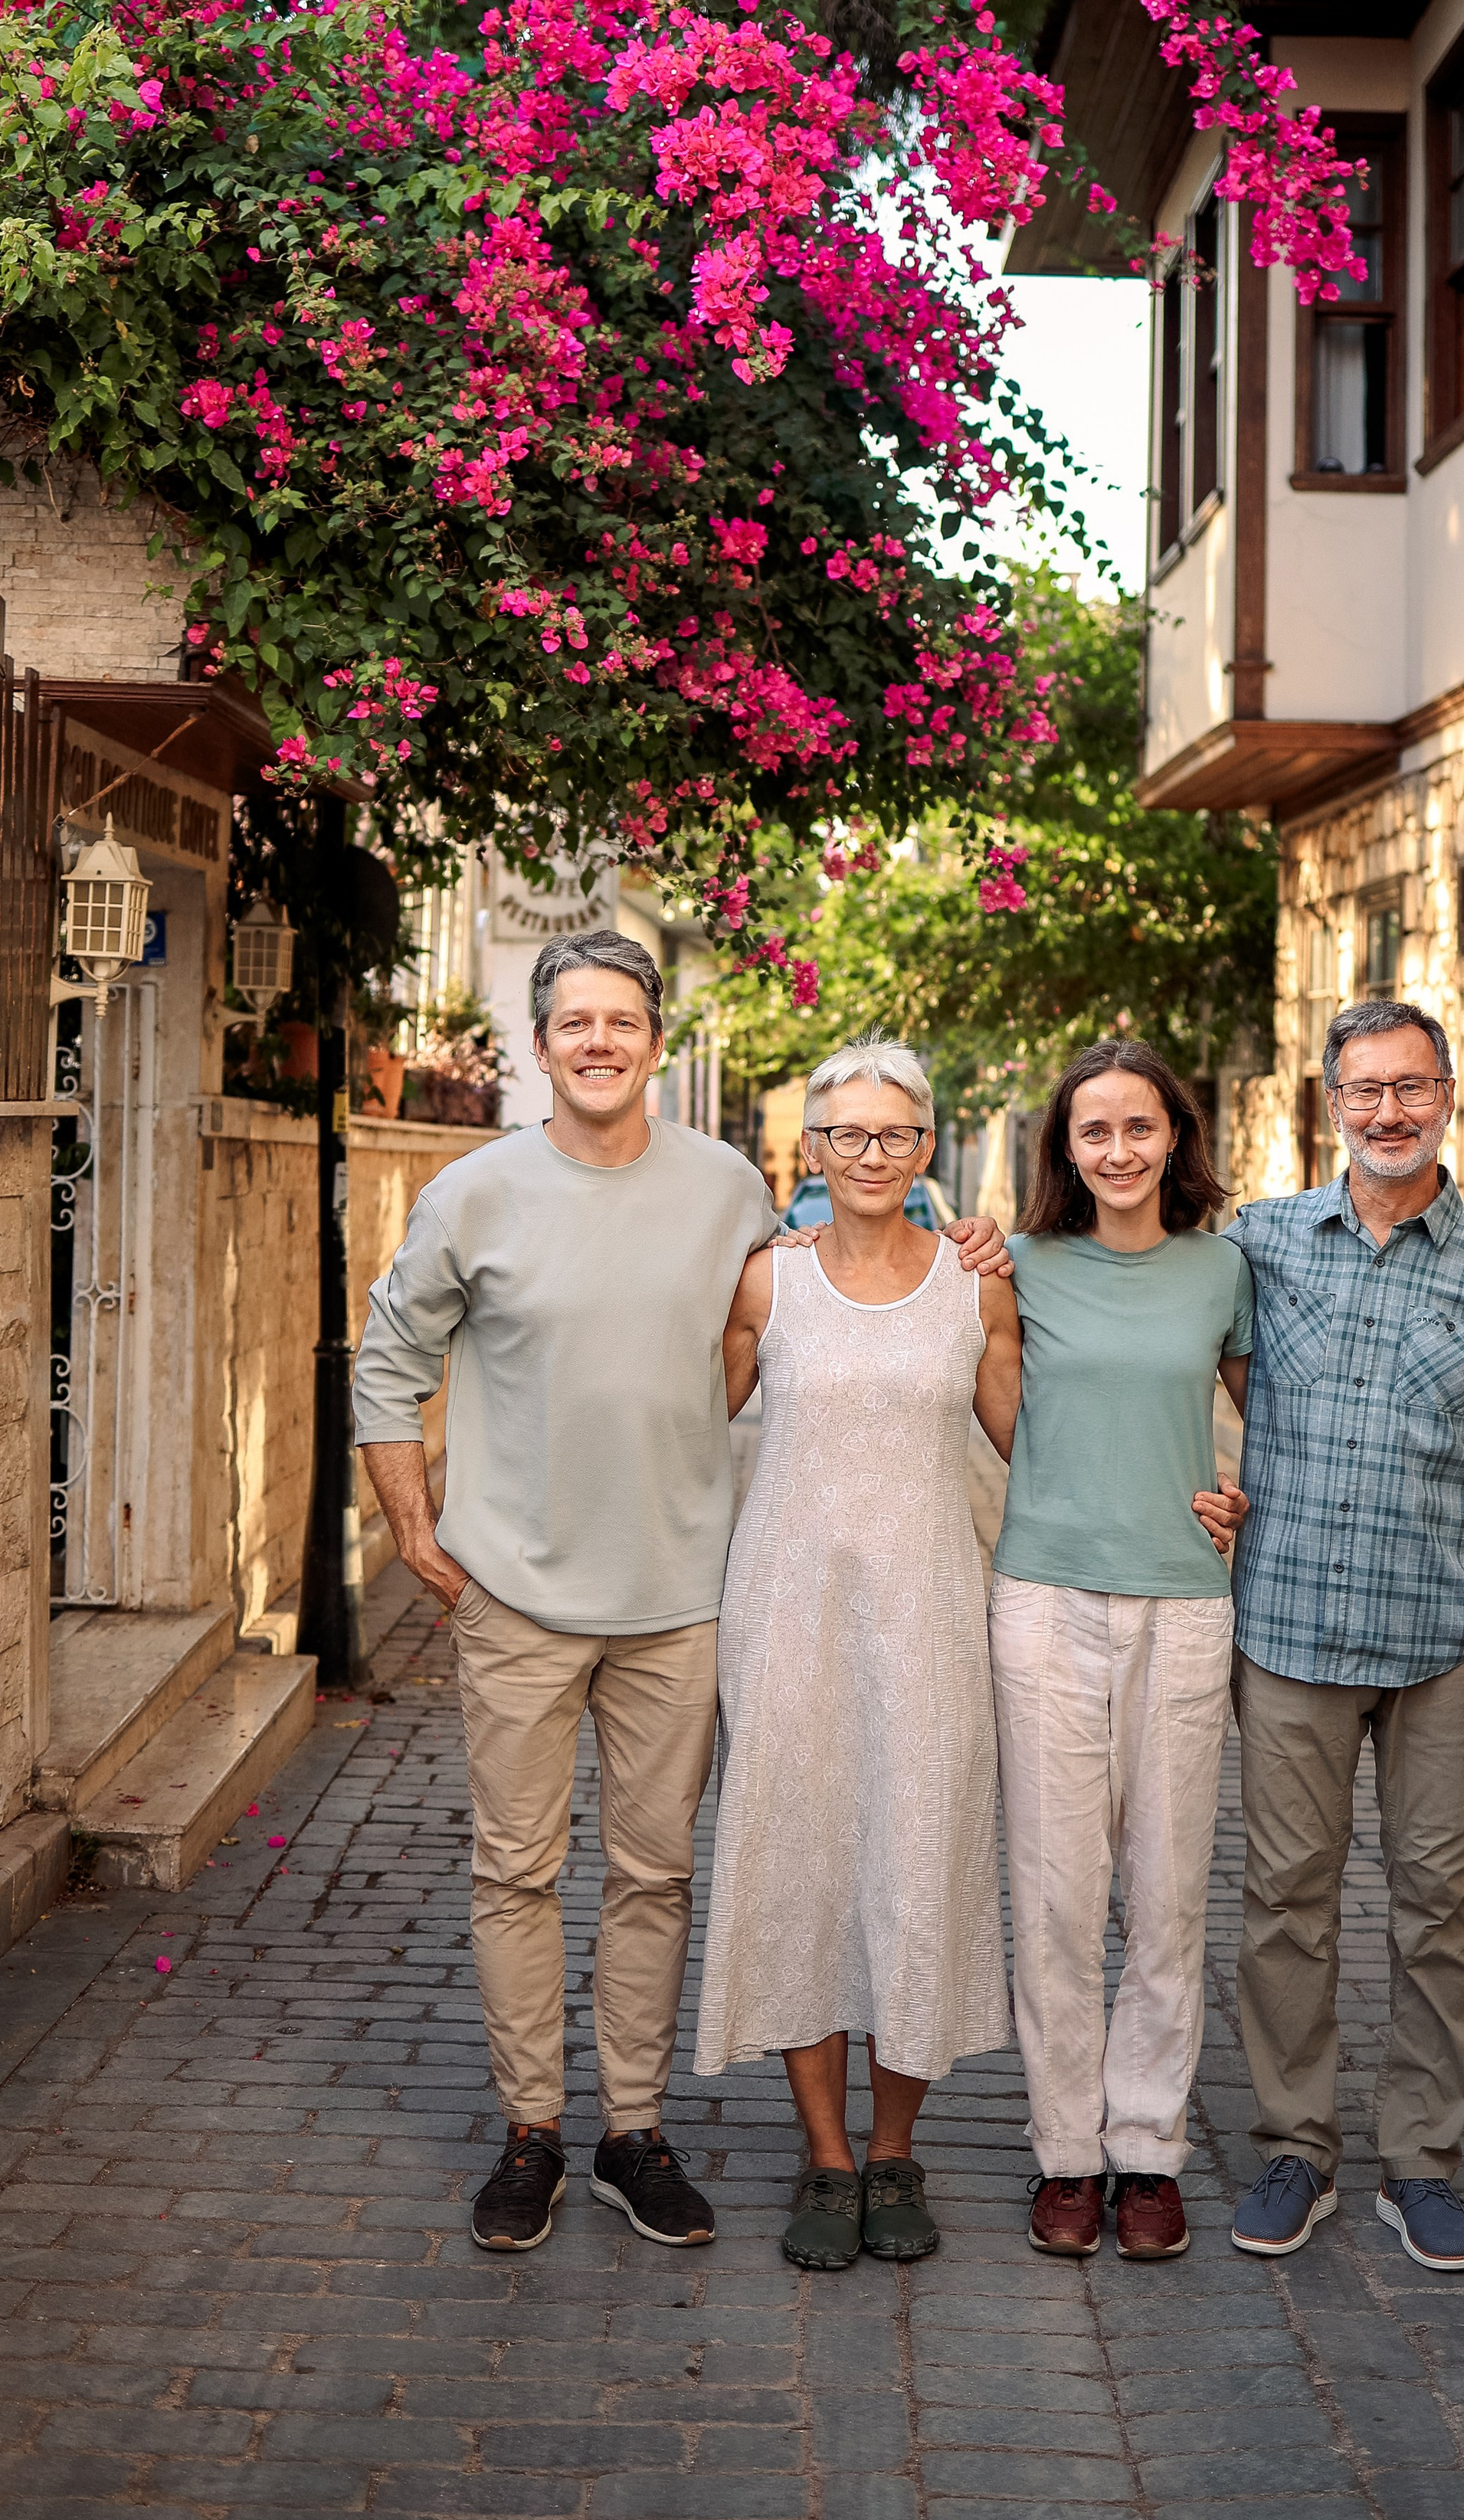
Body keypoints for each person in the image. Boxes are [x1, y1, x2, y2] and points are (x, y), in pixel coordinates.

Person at [354, 932, 1011, 2257]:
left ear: (656, 1041)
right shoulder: (472, 1193)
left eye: (623, 1020)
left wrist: (973, 1244)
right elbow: (387, 1359)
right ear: (540, 1045)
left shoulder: (728, 1191)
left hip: (683, 1597)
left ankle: (632, 2133)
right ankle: (533, 2129)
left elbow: (838, 1297)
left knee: (655, 1874)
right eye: (573, 1021)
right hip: (519, 1594)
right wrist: (415, 1528)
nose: (599, 1041)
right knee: (516, 1869)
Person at [1223, 998, 1464, 2273]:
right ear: (1331, 1103)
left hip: (1449, 1645)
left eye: (1412, 1088)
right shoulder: (1259, 1245)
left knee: (1439, 1906)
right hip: (1291, 1632)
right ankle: (1294, 2144)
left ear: (1449, 1098)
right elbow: (1182, 1362)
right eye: (1364, 1089)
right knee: (1285, 1903)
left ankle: (1420, 2159)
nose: (1389, 1110)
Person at [697, 1036, 1023, 2272]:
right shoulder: (766, 1284)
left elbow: (1035, 1448)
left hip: (931, 1619)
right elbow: (679, 1422)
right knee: (796, 1861)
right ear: (811, 1150)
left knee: (915, 1863)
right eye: (846, 1134)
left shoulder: (974, 1285)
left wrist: (1187, 1498)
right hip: (784, 1617)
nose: (870, 1154)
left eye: (894, 1133)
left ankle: (897, 2150)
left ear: (926, 1146)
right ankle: (826, 2157)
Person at [987, 1041, 1251, 2265]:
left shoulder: (1223, 1270)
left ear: (1173, 1136)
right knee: (1052, 1892)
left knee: (1166, 1889)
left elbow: (1275, 1413)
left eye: (1139, 1127)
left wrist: (1246, 1496)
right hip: (1044, 1599)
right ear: (1066, 1149)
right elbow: (991, 1401)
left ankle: (1147, 2150)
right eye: (1094, 1131)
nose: (1119, 1150)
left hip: (1185, 1605)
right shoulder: (1022, 1264)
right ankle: (1066, 2155)